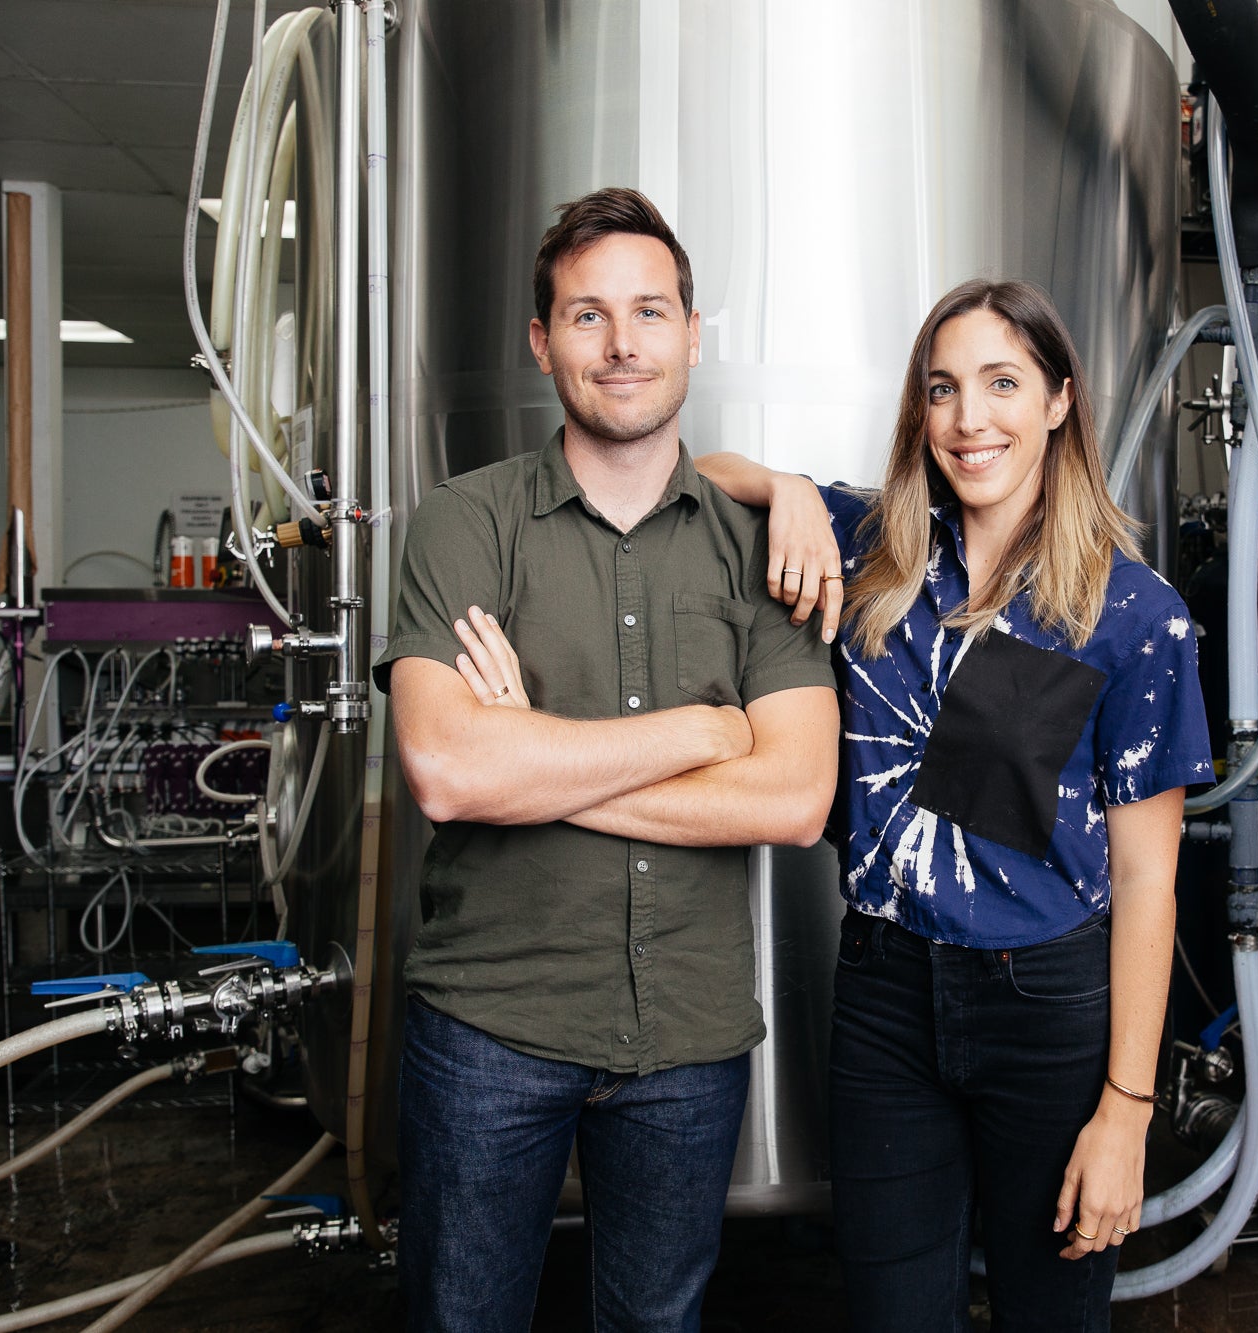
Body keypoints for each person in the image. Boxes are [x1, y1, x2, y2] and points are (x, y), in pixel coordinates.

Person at [460, 277, 1212, 1330]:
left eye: (1002, 383)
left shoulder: (1132, 614)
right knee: (889, 1309)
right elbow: (701, 481)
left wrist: (1125, 1112)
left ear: (1057, 399)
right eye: (941, 389)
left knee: (1052, 1309)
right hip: (884, 996)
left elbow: (1147, 878)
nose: (968, 419)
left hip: (1042, 1005)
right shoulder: (870, 547)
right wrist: (789, 487)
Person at [376, 186, 840, 1332]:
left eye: (650, 312)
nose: (622, 343)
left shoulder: (764, 547)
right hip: (491, 1026)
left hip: (686, 1038)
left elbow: (792, 797)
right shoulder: (462, 523)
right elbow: (448, 772)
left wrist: (535, 759)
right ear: (541, 342)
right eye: (587, 316)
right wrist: (703, 731)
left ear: (692, 332)